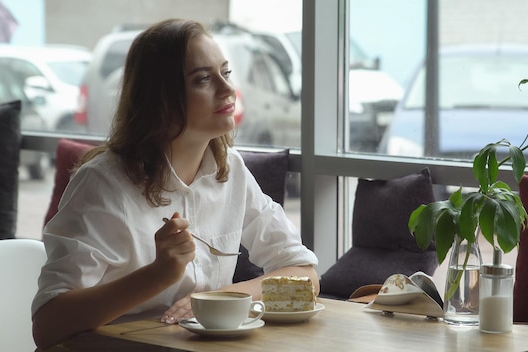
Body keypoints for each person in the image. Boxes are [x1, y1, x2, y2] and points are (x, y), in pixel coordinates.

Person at [31, 18, 319, 350]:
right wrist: (158, 274)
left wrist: (220, 297)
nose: (227, 90)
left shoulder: (231, 170)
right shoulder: (102, 183)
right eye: (203, 79)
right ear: (161, 100)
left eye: (225, 73)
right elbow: (48, 325)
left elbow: (303, 274)